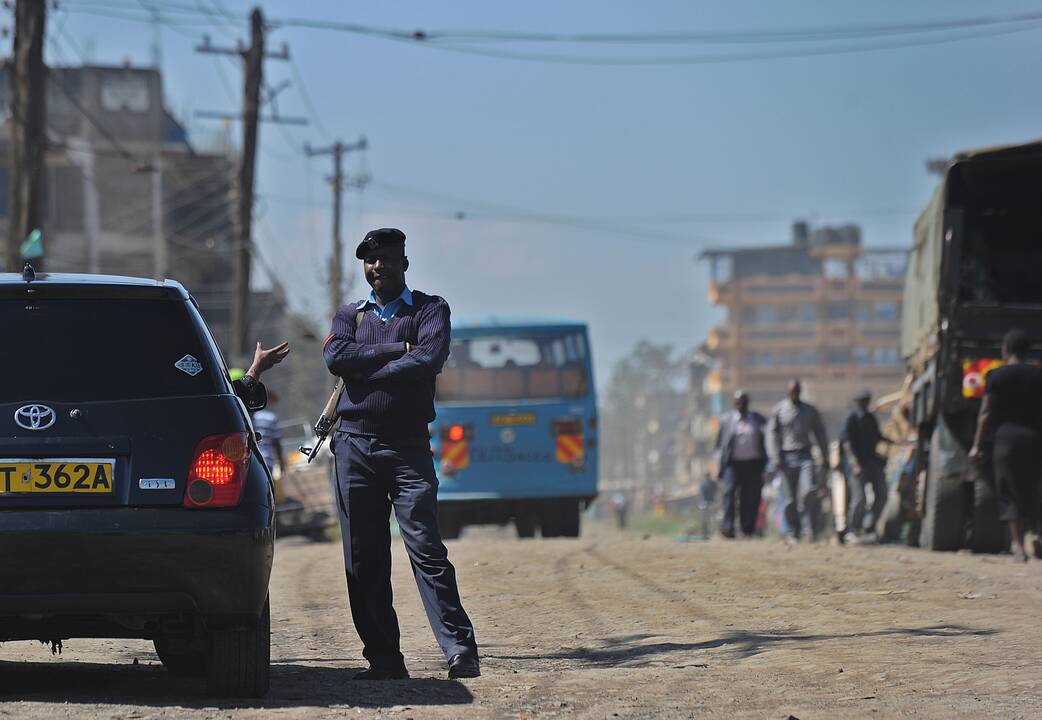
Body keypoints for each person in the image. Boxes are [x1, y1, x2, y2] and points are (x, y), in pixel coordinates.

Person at [323, 227, 480, 680]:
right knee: (363, 557)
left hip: (408, 446)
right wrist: (396, 350)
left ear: (404, 263)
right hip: (353, 446)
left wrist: (367, 367)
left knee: (426, 548)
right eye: (370, 261)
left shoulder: (430, 309)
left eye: (387, 259)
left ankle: (459, 649)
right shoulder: (348, 316)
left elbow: (428, 359)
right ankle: (385, 658)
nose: (378, 267)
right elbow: (336, 359)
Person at [970, 329, 1042, 562]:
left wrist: (977, 445)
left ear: (1006, 350)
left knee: (1009, 490)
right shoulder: (1037, 375)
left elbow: (985, 413)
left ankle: (1018, 546)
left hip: (1006, 440)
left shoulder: (996, 376)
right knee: (1033, 488)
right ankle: (1038, 534)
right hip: (1034, 440)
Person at [768, 379, 829, 541]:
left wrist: (825, 455)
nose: (794, 394)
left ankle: (808, 528)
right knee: (789, 499)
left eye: (797, 391)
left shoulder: (810, 410)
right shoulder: (779, 410)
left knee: (808, 491)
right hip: (786, 458)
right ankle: (791, 531)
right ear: (787, 392)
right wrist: (775, 457)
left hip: (805, 457)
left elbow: (820, 433)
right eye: (791, 391)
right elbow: (772, 435)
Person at [714, 390, 768, 538]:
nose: (741, 405)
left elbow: (768, 441)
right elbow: (719, 447)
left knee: (749, 497)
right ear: (734, 403)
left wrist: (767, 465)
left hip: (753, 464)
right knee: (729, 492)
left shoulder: (759, 420)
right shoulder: (726, 420)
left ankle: (747, 528)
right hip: (732, 464)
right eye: (738, 402)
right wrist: (718, 466)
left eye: (743, 401)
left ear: (748, 403)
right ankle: (728, 527)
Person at [840, 389, 892, 543]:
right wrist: (854, 464)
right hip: (857, 466)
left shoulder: (870, 418)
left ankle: (870, 526)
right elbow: (846, 444)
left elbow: (879, 437)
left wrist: (898, 442)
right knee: (859, 498)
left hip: (872, 463)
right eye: (862, 401)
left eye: (866, 400)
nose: (865, 404)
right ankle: (853, 530)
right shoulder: (851, 418)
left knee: (882, 495)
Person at [251, 389, 285, 479]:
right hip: (267, 459)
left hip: (252, 460)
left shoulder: (251, 416)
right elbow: (277, 442)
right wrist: (281, 462)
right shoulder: (271, 418)